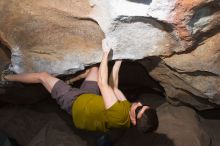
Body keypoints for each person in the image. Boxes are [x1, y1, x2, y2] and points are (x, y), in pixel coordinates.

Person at [1, 48, 158, 133]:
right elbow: (113, 87)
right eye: (143, 105)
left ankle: (6, 78)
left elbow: (104, 84)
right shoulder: (128, 108)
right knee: (95, 69)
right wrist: (119, 60)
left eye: (138, 108)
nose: (137, 103)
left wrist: (105, 53)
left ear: (133, 120)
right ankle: (68, 80)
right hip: (91, 99)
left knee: (43, 76)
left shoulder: (119, 116)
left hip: (75, 103)